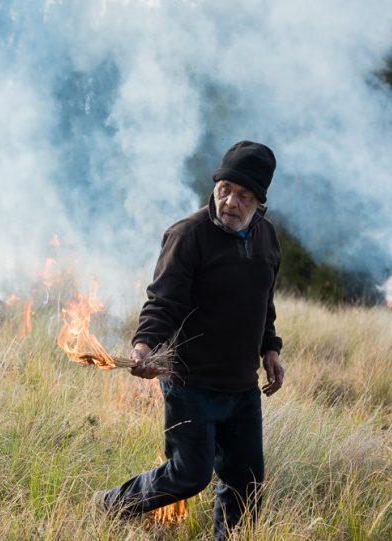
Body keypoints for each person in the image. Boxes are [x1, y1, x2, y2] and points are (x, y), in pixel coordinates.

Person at [96, 140, 285, 540]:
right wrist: (144, 346)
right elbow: (163, 300)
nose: (230, 202)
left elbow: (263, 301)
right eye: (224, 190)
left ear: (260, 202)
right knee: (188, 475)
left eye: (244, 196)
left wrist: (271, 348)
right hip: (190, 383)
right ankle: (111, 505)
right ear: (215, 186)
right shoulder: (188, 235)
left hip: (241, 388)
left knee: (246, 488)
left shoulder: (267, 239)